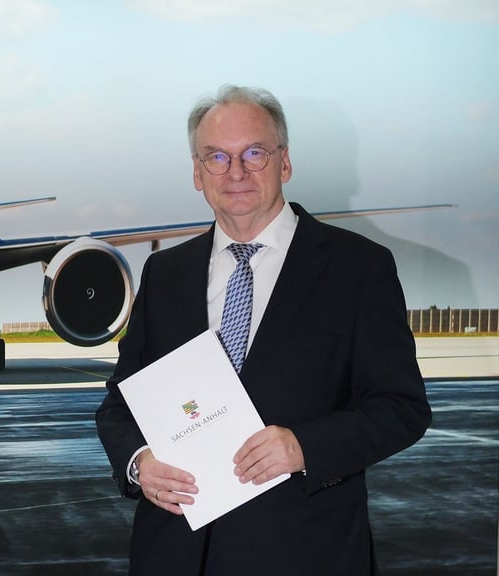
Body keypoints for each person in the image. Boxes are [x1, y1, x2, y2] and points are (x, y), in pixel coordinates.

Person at [95, 85, 431, 575]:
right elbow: (119, 405)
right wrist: (138, 463)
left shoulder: (358, 269)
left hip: (306, 553)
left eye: (254, 153)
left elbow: (402, 408)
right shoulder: (164, 275)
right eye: (217, 157)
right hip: (174, 554)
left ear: (285, 162)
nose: (236, 172)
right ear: (197, 172)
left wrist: (304, 447)